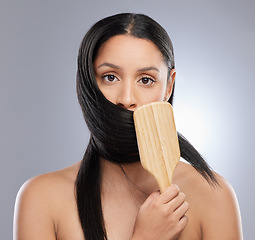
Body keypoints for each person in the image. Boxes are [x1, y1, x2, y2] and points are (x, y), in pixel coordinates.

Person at [13, 13, 243, 240]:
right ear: (87, 83)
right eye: (110, 77)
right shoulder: (41, 199)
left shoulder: (214, 195)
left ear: (169, 86)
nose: (126, 98)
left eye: (145, 80)